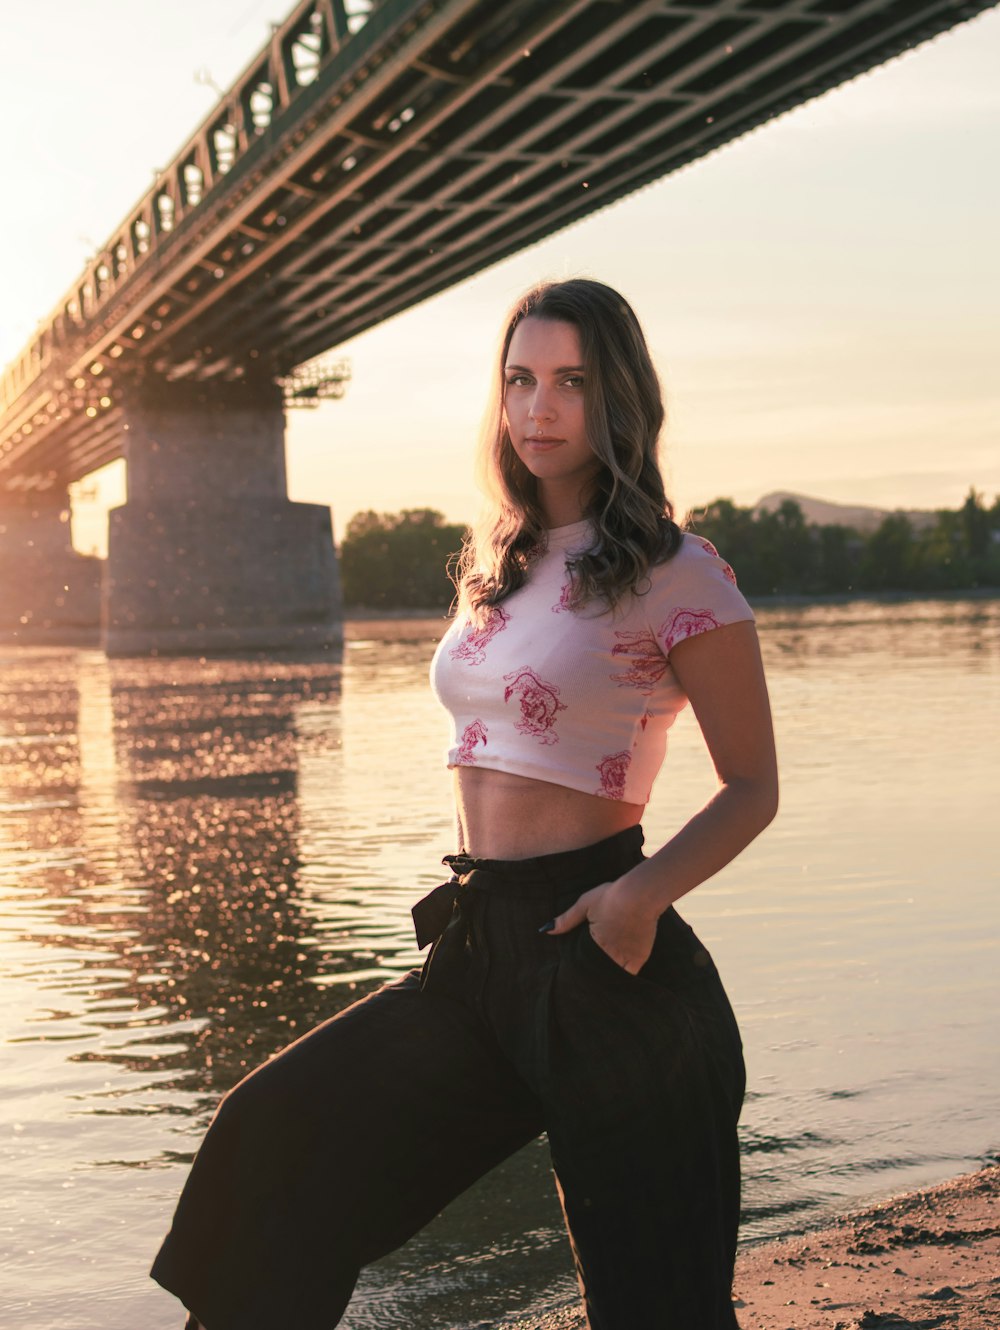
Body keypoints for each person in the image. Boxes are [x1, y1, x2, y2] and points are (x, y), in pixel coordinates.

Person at [151, 278, 778, 1329]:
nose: (537, 407)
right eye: (518, 379)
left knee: (655, 1304)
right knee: (268, 1147)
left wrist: (636, 898)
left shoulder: (680, 572)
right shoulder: (500, 559)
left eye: (571, 382)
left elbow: (750, 784)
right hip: (478, 950)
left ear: (618, 398)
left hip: (605, 952)